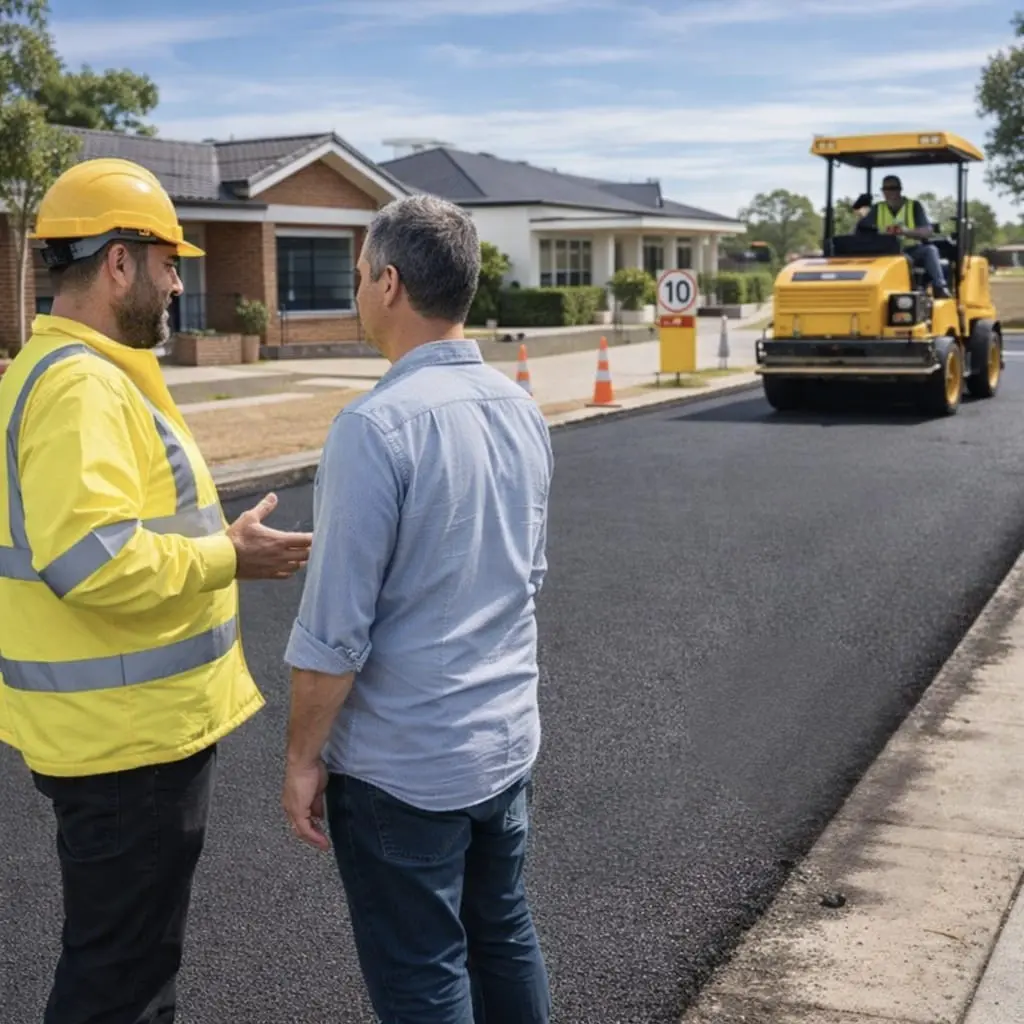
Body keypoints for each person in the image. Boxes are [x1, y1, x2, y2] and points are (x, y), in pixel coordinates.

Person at [0, 157, 313, 1024]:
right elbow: (91, 563)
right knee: (120, 984)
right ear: (117, 263)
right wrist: (227, 556)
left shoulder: (57, 373)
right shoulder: (80, 389)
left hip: (116, 734)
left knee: (125, 964)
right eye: (170, 262)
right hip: (125, 743)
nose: (178, 282)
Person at [281, 193, 554, 1023]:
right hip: (503, 741)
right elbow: (527, 574)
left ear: (390, 283)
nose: (359, 290)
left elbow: (334, 635)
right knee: (502, 932)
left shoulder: (374, 428)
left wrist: (301, 759)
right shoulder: (523, 411)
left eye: (361, 275)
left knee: (424, 974)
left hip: (405, 766)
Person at [856, 174, 951, 297]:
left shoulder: (913, 206)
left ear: (900, 189)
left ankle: (939, 287)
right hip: (885, 252)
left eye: (893, 188)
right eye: (886, 189)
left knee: (930, 250)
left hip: (911, 250)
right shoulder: (877, 209)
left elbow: (927, 231)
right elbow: (860, 230)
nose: (890, 192)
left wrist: (906, 232)